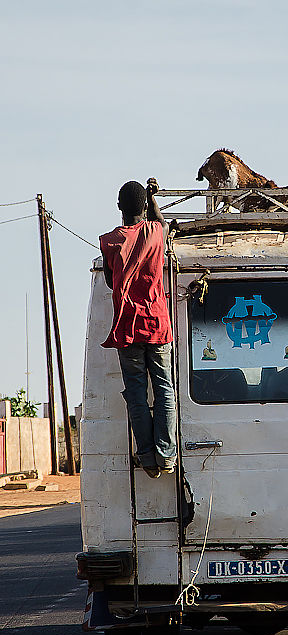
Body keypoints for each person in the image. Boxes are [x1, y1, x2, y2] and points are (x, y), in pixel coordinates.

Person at [100, 179, 176, 479]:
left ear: (119, 206)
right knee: (164, 390)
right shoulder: (156, 232)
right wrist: (153, 199)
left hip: (127, 327)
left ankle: (146, 458)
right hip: (156, 324)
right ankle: (166, 456)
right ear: (144, 206)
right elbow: (161, 222)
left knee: (136, 393)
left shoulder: (109, 241)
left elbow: (110, 281)